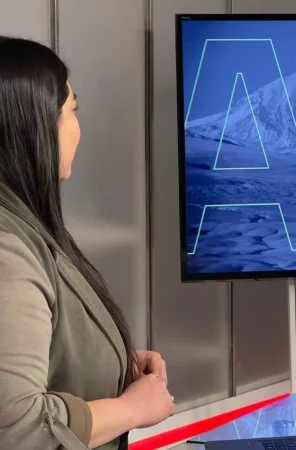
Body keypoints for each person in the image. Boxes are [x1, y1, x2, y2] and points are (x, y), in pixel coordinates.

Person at [0, 38, 174, 449]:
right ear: (36, 125)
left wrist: (112, 359)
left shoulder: (22, 227)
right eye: (72, 110)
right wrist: (132, 409)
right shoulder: (8, 253)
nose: (78, 127)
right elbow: (17, 427)